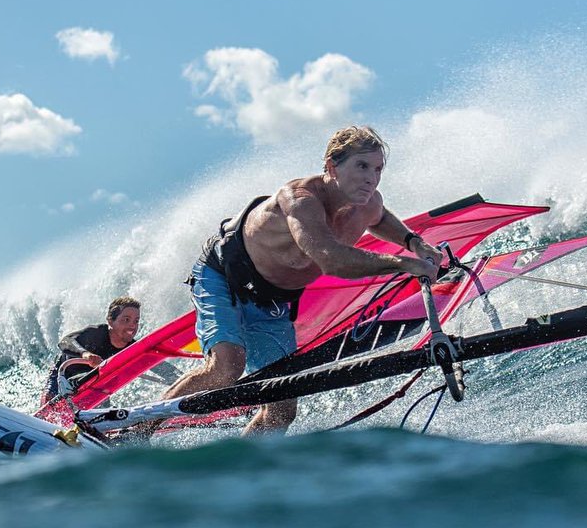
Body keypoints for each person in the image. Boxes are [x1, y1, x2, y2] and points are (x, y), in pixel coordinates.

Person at [162, 125, 444, 434]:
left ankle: (248, 465)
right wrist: (401, 264)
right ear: (331, 167)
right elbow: (329, 258)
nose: (371, 177)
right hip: (224, 276)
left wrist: (414, 243)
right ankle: (134, 432)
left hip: (273, 303)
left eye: (377, 169)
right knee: (227, 367)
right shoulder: (300, 199)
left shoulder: (368, 203)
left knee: (283, 407)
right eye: (361, 166)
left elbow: (380, 218)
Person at [41, 296, 141, 405]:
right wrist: (86, 354)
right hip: (62, 375)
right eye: (126, 320)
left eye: (136, 321)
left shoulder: (132, 348)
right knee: (48, 403)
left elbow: (157, 363)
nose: (133, 325)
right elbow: (65, 341)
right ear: (111, 321)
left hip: (91, 383)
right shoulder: (96, 333)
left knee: (99, 394)